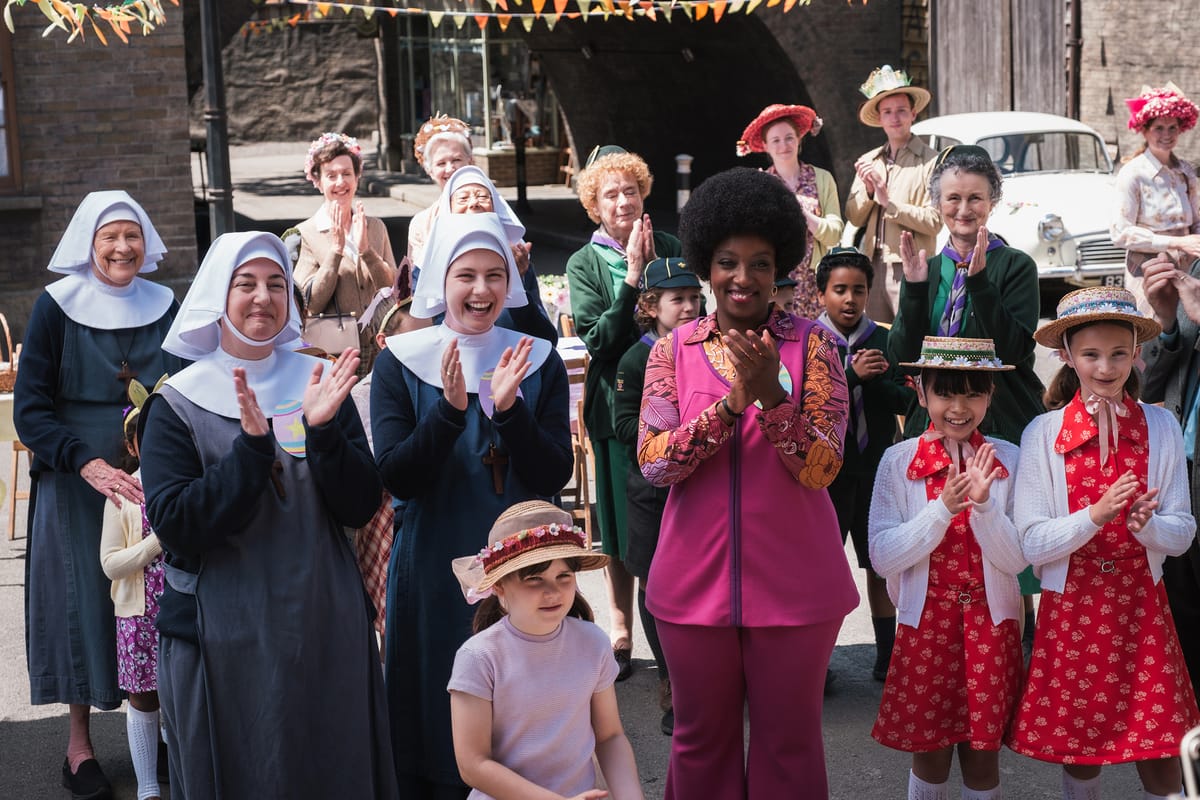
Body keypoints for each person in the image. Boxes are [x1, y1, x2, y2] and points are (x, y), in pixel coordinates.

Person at [139, 231, 396, 799]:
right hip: (228, 638)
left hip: (325, 626)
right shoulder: (177, 403)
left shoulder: (317, 381)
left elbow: (359, 504)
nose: (263, 297)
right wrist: (251, 454)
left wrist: (325, 431)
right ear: (217, 296)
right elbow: (179, 528)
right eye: (246, 284)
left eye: (277, 284)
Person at [638, 167, 858, 799]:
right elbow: (655, 463)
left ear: (780, 267)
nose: (743, 278)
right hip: (691, 586)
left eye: (760, 264)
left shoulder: (816, 346)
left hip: (796, 588)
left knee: (790, 744)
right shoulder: (671, 351)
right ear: (706, 264)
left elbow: (823, 467)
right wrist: (732, 406)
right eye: (729, 262)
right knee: (700, 742)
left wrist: (772, 402)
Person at [372, 212, 572, 797]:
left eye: (493, 274)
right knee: (438, 700)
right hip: (435, 561)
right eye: (465, 275)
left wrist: (510, 416)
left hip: (527, 562)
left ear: (510, 281)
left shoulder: (538, 358)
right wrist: (450, 413)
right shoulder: (401, 361)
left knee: (526, 700)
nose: (480, 289)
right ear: (440, 279)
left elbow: (553, 473)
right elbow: (398, 477)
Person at [14, 190, 184, 800]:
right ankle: (79, 744)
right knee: (83, 605)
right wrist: (82, 463)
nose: (122, 247)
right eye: (110, 237)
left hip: (152, 479)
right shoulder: (56, 308)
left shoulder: (166, 305)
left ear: (146, 243)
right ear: (89, 244)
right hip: (76, 485)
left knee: (152, 606)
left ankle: (156, 730)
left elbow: (186, 384)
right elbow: (30, 412)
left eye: (132, 236)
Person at [1008, 287, 1200, 800]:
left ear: (1137, 353)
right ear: (1066, 356)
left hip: (1143, 608)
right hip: (1072, 609)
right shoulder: (1042, 434)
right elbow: (1031, 543)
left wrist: (1147, 526)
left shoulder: (1160, 425)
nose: (1106, 367)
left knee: (1160, 749)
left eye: (1119, 353)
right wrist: (1093, 516)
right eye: (1091, 354)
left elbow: (1182, 534)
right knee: (1080, 753)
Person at [869, 336, 1025, 800]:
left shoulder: (1009, 460)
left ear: (991, 395)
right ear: (920, 392)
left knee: (983, 757)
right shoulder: (898, 462)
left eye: (973, 392)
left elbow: (1016, 560)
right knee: (930, 754)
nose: (958, 407)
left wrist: (983, 509)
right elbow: (882, 556)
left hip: (991, 627)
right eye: (945, 393)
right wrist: (940, 510)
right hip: (925, 626)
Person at [566, 145, 683, 681]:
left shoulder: (672, 245)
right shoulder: (584, 262)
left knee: (673, 514)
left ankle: (678, 620)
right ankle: (620, 625)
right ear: (596, 203)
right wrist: (632, 277)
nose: (623, 202)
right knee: (619, 522)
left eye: (630, 191)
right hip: (617, 403)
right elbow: (600, 340)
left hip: (681, 402)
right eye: (610, 194)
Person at [447, 500, 644, 800]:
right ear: (499, 587)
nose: (552, 591)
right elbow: (472, 764)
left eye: (563, 576)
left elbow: (610, 735)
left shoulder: (593, 642)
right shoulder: (478, 658)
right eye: (534, 579)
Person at [889, 145, 1045, 445]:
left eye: (975, 198)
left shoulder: (1016, 266)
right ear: (937, 202)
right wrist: (915, 290)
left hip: (1000, 425)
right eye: (953, 198)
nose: (963, 210)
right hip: (931, 426)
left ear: (993, 201)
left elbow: (1013, 351)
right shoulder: (927, 269)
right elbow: (904, 357)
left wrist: (980, 286)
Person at [613, 256, 703, 737]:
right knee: (654, 585)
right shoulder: (635, 358)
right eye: (677, 299)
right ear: (650, 306)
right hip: (651, 490)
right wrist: (677, 432)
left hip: (698, 487)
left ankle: (707, 681)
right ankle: (670, 682)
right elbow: (623, 423)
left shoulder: (710, 348)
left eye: (694, 297)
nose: (689, 307)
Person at [814, 246, 914, 682]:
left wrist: (877, 383)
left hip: (874, 468)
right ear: (821, 294)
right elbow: (805, 400)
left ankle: (889, 654)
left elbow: (905, 398)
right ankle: (818, 659)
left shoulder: (883, 338)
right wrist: (850, 376)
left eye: (858, 289)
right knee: (824, 568)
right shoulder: (809, 341)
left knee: (880, 562)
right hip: (826, 473)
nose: (850, 299)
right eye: (839, 290)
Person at [99, 378, 167, 800]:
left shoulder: (181, 483)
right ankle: (147, 788)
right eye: (148, 439)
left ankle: (187, 771)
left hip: (183, 608)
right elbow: (110, 564)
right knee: (144, 698)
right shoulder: (121, 497)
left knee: (181, 697)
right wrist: (158, 540)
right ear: (134, 448)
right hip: (138, 617)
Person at [1142, 253, 1200, 705]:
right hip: (1184, 474)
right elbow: (1152, 386)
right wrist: (1165, 323)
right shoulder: (1194, 272)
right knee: (1185, 620)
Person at [294, 131, 398, 372]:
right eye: (331, 176)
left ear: (357, 177)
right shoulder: (306, 233)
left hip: (381, 348)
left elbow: (391, 290)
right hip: (335, 354)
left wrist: (366, 252)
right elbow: (310, 305)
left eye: (346, 174)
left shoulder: (375, 226)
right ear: (318, 181)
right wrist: (336, 251)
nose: (340, 182)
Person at [845, 65, 941, 323]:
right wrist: (868, 190)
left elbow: (935, 222)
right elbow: (853, 217)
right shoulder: (869, 160)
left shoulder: (931, 162)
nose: (895, 117)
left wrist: (888, 202)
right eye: (887, 112)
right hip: (871, 265)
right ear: (880, 118)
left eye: (901, 110)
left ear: (913, 114)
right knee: (875, 342)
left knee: (911, 338)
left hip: (910, 265)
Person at [737, 103, 844, 319]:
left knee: (815, 346)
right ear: (765, 146)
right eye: (775, 140)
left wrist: (803, 215)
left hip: (815, 284)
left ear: (799, 139)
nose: (783, 145)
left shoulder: (822, 178)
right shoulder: (760, 184)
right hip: (774, 284)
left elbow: (835, 233)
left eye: (789, 137)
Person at [427, 165, 556, 342]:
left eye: (482, 196)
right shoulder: (430, 264)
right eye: (463, 198)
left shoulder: (517, 260)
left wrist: (516, 281)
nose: (474, 203)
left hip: (514, 355)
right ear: (448, 210)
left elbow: (545, 338)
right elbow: (428, 331)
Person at [1112, 83, 1200, 316]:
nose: (1166, 135)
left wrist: (1195, 241)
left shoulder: (1185, 172)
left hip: (1188, 269)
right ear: (1145, 130)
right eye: (1159, 128)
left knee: (1188, 332)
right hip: (1149, 270)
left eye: (1172, 128)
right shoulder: (1133, 174)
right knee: (1154, 334)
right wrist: (1176, 243)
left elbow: (1196, 221)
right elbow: (1120, 232)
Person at [408, 114, 475, 268]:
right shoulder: (421, 223)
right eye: (441, 163)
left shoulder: (491, 207)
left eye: (457, 160)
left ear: (470, 161)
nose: (450, 169)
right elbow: (416, 279)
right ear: (429, 170)